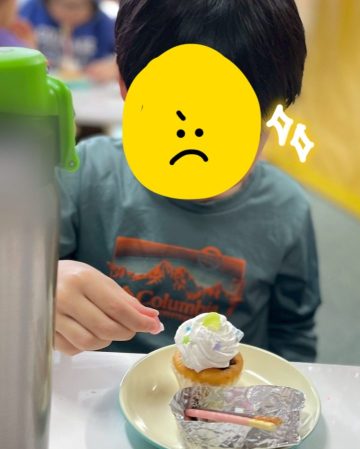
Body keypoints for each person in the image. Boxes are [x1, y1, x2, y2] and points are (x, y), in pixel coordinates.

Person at [55, 0, 321, 362]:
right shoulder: (84, 172)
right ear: (127, 87)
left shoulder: (286, 209)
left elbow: (294, 334)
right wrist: (43, 286)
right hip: (95, 385)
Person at [19, 0, 116, 81]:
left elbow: (120, 55)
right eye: (63, 5)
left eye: (78, 6)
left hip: (89, 86)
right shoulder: (32, 11)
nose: (70, 13)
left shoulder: (104, 25)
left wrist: (113, 66)